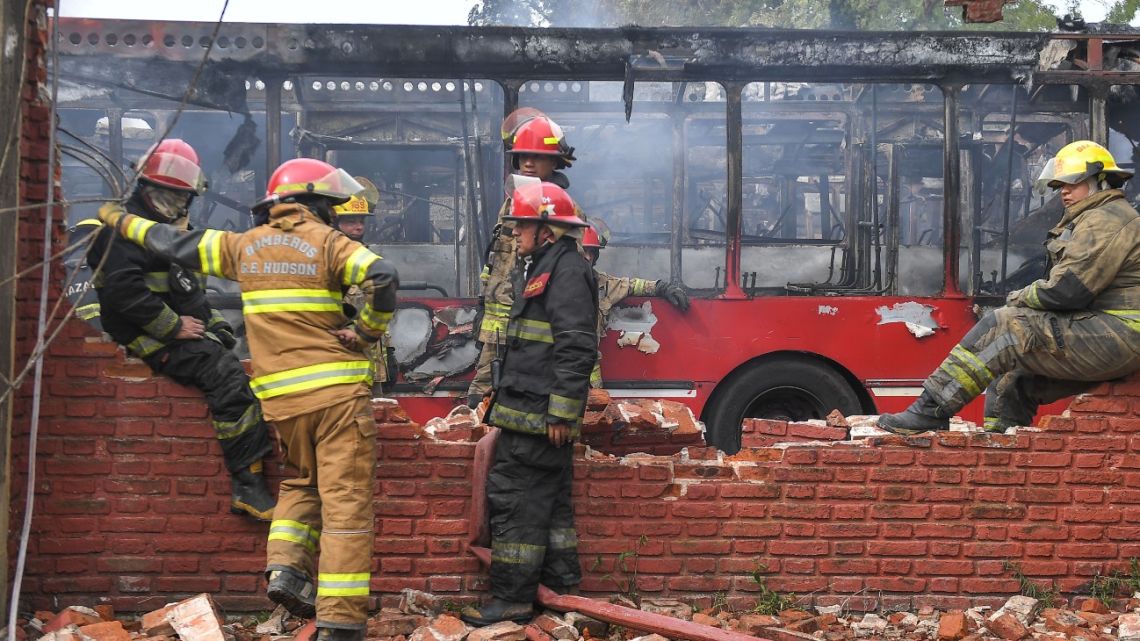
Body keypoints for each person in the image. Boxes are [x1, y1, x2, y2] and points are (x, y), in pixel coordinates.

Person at [98, 157, 399, 641]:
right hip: (338, 397)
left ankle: (285, 572)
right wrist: (366, 331)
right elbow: (382, 277)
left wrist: (116, 217)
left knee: (302, 483)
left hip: (281, 402)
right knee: (346, 506)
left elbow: (168, 241)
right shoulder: (330, 242)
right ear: (317, 204)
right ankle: (341, 623)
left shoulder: (243, 247)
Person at [879, 140, 1140, 434]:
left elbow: (1068, 290)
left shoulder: (1106, 219)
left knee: (1003, 327)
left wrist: (1018, 297)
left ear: (1100, 180)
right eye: (1059, 185)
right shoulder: (1098, 217)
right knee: (1014, 378)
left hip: (1120, 334)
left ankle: (929, 411)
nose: (1063, 191)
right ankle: (1000, 449)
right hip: (1110, 332)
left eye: (1073, 182)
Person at [87, 139, 275, 521]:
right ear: (143, 188)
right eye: (165, 194)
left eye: (180, 197)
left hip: (172, 332)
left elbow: (189, 291)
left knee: (230, 358)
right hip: (142, 337)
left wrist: (218, 327)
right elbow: (124, 293)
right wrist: (173, 329)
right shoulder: (119, 231)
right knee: (225, 376)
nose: (174, 204)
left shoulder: (168, 231)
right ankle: (248, 485)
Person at [460, 181, 597, 626]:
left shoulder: (566, 271)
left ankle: (512, 599)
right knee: (550, 506)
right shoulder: (546, 266)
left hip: (539, 417)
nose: (516, 231)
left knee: (516, 500)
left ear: (547, 229)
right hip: (529, 411)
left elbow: (575, 345)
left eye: (522, 224)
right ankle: (561, 591)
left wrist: (561, 411)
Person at [467, 112, 576, 408]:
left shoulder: (562, 210)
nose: (527, 163)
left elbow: (566, 279)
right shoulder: (514, 202)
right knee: (481, 401)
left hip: (526, 328)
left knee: (502, 402)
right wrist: (483, 306)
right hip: (497, 323)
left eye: (537, 157)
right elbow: (497, 260)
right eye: (523, 156)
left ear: (555, 162)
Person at [580, 218, 690, 387]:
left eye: (592, 252)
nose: (588, 257)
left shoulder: (602, 284)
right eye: (584, 251)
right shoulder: (556, 285)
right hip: (562, 375)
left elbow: (631, 286)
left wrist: (662, 287)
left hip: (591, 381)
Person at [334, 178, 391, 389]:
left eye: (361, 220)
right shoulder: (330, 262)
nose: (358, 226)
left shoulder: (367, 258)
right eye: (350, 221)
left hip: (371, 368)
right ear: (334, 222)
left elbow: (377, 314)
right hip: (344, 370)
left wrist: (388, 357)